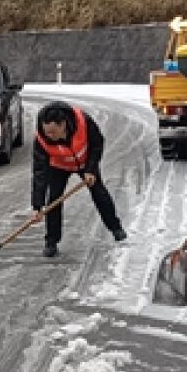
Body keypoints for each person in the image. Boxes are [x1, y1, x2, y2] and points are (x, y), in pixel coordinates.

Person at [31, 102, 127, 257]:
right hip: (58, 166)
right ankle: (51, 242)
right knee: (53, 200)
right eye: (46, 132)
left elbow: (97, 144)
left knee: (99, 193)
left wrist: (91, 169)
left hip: (85, 163)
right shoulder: (41, 140)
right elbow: (39, 172)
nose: (50, 136)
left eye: (53, 132)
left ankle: (116, 228)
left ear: (63, 125)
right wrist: (37, 206)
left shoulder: (83, 122)